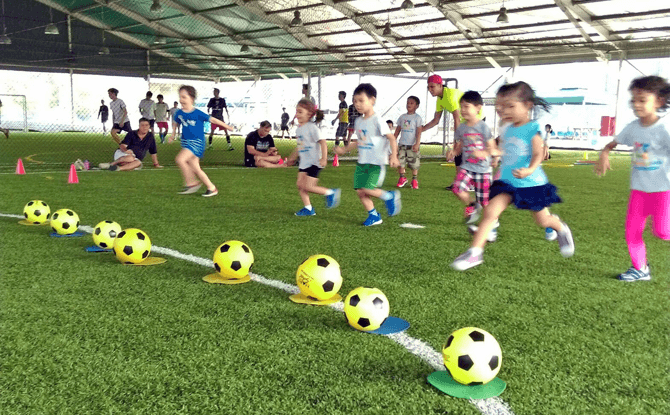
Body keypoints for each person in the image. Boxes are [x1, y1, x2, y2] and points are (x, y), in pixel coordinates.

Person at [451, 81, 574, 271]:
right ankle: (475, 253)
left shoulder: (532, 128)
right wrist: (488, 154)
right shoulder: (505, 128)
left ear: (527, 106)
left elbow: (538, 153)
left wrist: (530, 169)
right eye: (500, 106)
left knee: (542, 220)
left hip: (530, 182)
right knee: (490, 213)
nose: (503, 111)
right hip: (507, 181)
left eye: (510, 106)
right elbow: (500, 149)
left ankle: (560, 228)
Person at [595, 76, 670, 281]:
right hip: (638, 190)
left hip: (663, 190)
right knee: (632, 231)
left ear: (659, 102)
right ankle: (640, 269)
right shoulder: (633, 127)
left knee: (663, 232)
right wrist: (604, 153)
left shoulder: (665, 129)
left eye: (642, 100)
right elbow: (613, 143)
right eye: (634, 100)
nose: (636, 105)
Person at [334, 83, 401, 226]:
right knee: (360, 191)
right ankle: (374, 216)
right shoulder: (358, 121)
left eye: (361, 100)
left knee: (367, 189)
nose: (357, 104)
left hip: (375, 163)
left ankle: (389, 196)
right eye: (355, 101)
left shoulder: (378, 120)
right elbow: (359, 141)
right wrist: (344, 150)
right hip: (362, 162)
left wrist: (393, 156)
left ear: (372, 100)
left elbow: (391, 138)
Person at [168, 85, 233, 197]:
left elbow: (212, 119)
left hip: (196, 143)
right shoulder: (179, 113)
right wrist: (173, 134)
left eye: (184, 97)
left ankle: (191, 183)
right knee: (196, 168)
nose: (181, 100)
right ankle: (211, 188)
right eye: (180, 97)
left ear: (191, 99)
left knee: (180, 159)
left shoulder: (197, 113)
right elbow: (175, 122)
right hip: (186, 142)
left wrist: (227, 126)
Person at [422, 74, 481, 190]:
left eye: (432, 87)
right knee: (459, 153)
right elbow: (436, 120)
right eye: (428, 87)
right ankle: (460, 182)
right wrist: (421, 129)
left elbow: (457, 118)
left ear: (440, 85)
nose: (430, 90)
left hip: (476, 119)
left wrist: (457, 141)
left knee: (466, 151)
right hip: (465, 123)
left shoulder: (450, 95)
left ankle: (472, 183)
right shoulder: (440, 99)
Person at [446, 91, 495, 227]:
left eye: (466, 106)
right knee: (457, 188)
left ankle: (492, 225)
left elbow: (492, 147)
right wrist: (454, 152)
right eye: (461, 107)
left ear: (478, 108)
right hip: (467, 167)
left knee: (485, 202)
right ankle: (471, 204)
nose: (463, 110)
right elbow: (460, 144)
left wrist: (484, 153)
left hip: (483, 170)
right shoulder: (461, 128)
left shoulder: (483, 127)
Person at [286, 98, 341, 216]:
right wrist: (292, 158)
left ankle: (330, 193)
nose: (297, 114)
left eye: (300, 112)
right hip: (304, 163)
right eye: (296, 111)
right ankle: (308, 208)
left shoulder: (312, 127)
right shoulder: (299, 129)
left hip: (314, 162)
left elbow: (323, 142)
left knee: (308, 186)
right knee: (300, 185)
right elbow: (300, 146)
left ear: (309, 114)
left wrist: (324, 158)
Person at [394, 96, 422, 190]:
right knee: (400, 162)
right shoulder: (402, 117)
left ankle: (414, 180)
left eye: (411, 103)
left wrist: (417, 143)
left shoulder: (417, 118)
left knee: (414, 163)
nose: (409, 105)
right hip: (402, 144)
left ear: (417, 106)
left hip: (412, 145)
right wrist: (394, 139)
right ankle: (402, 178)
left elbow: (419, 132)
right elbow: (398, 129)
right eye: (408, 103)